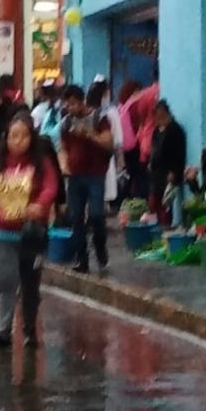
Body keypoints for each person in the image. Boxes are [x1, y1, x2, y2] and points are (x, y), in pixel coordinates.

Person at [0, 113, 59, 348]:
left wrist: (40, 205)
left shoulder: (41, 163)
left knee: (30, 285)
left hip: (32, 235)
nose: (17, 141)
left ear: (31, 137)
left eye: (23, 136)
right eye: (13, 136)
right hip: (2, 235)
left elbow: (51, 187)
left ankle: (30, 329)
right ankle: (4, 327)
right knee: (7, 280)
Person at [60, 84, 114, 274]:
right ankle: (81, 259)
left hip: (95, 175)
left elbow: (108, 143)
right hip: (75, 176)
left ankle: (101, 253)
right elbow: (64, 148)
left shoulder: (99, 118)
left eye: (73, 104)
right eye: (67, 105)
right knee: (75, 217)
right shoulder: (66, 123)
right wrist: (64, 165)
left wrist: (89, 135)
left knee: (96, 215)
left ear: (82, 101)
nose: (70, 108)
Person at [149, 100, 187, 226]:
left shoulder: (175, 130)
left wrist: (174, 172)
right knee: (156, 200)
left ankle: (168, 224)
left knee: (167, 201)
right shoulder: (156, 131)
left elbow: (178, 153)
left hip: (169, 171)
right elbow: (154, 148)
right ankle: (158, 225)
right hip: (157, 171)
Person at [87, 78, 124, 205]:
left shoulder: (87, 112)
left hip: (88, 161)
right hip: (106, 158)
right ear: (105, 94)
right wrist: (121, 162)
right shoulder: (111, 113)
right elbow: (118, 140)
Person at [136, 69, 160, 200]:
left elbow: (142, 117)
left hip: (148, 141)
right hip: (162, 141)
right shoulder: (167, 90)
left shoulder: (146, 94)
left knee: (149, 180)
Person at [118, 80, 143, 197]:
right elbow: (137, 125)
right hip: (136, 145)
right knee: (137, 175)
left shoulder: (122, 107)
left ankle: (125, 198)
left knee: (131, 174)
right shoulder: (134, 105)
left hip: (126, 146)